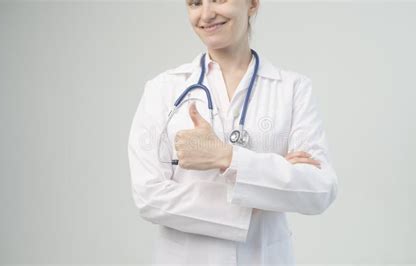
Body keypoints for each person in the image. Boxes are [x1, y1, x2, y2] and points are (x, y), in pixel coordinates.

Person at [127, 0, 338, 264]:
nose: (206, 14)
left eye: (218, 0)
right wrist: (257, 197)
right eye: (195, 3)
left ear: (252, 4)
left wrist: (226, 157)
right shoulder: (162, 89)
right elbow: (149, 196)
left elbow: (319, 189)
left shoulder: (292, 89)